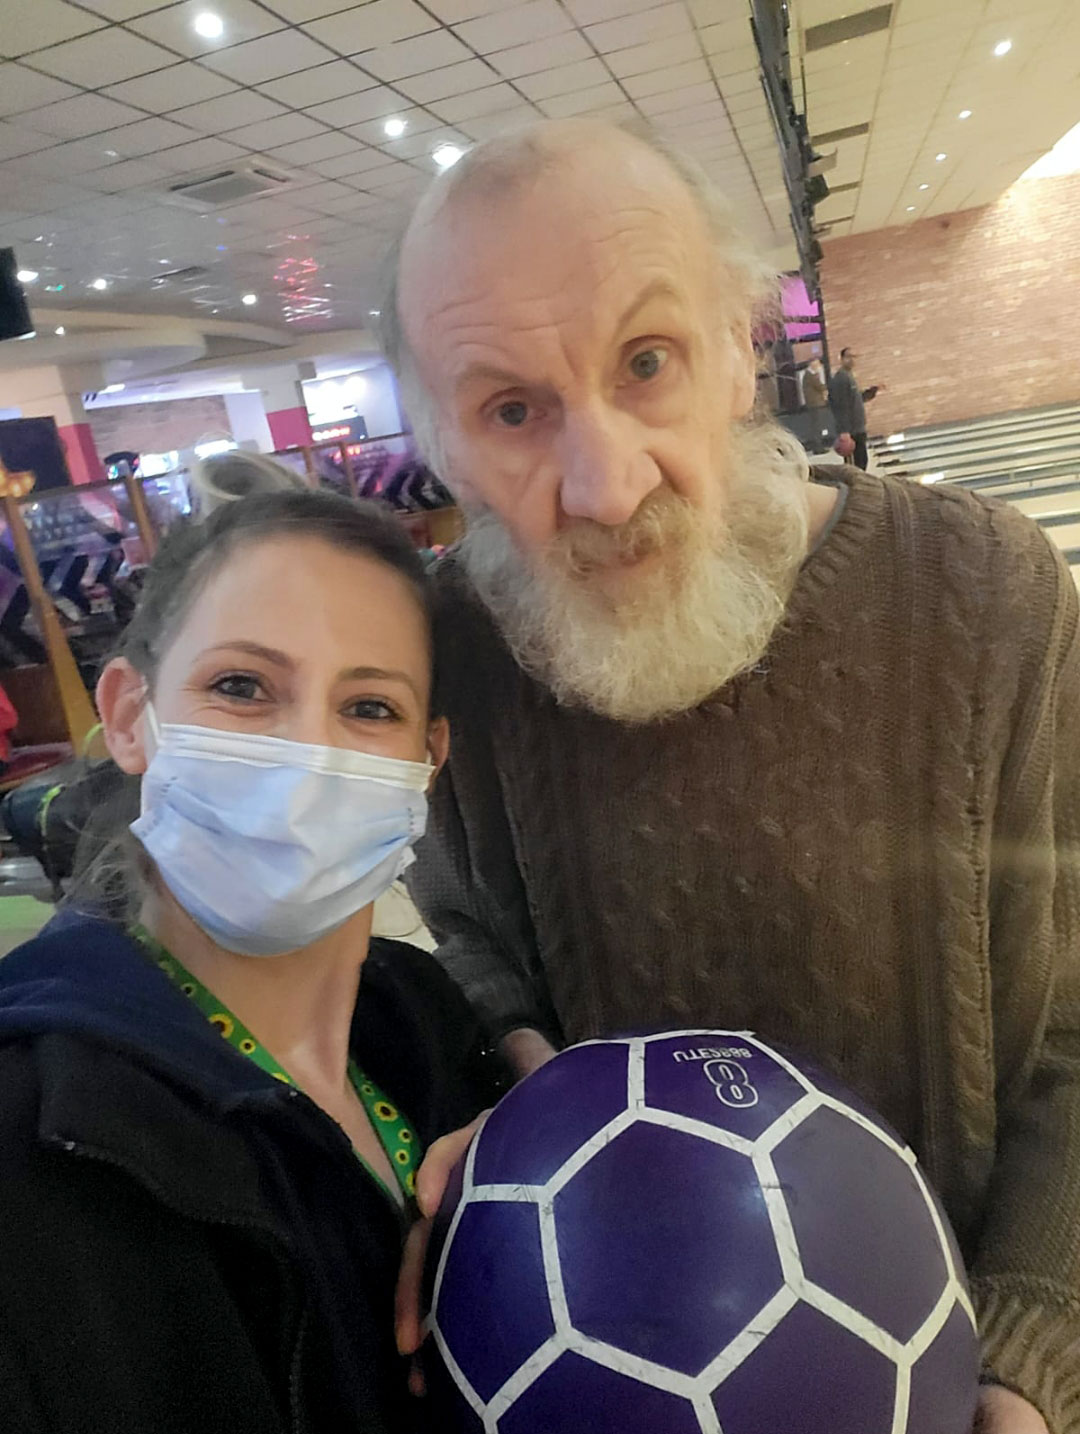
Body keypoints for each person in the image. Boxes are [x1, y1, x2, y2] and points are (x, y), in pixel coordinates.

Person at [380, 119, 1078, 1433]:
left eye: (646, 361)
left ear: (742, 348)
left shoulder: (987, 598)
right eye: (511, 410)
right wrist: (501, 1117)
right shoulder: (448, 657)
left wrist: (1024, 1363)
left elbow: (1076, 1030)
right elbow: (471, 956)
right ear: (441, 445)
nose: (604, 485)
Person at [0, 489, 499, 1434]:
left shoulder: (433, 1030)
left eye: (369, 706)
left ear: (428, 760)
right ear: (131, 715)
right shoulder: (35, 1130)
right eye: (241, 687)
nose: (306, 755)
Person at [827, 347, 883, 469]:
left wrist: (872, 391)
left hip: (858, 428)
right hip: (851, 431)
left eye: (854, 357)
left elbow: (857, 399)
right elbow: (840, 406)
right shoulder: (840, 379)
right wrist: (844, 431)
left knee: (862, 461)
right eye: (848, 357)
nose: (852, 360)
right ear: (841, 359)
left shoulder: (849, 376)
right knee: (855, 465)